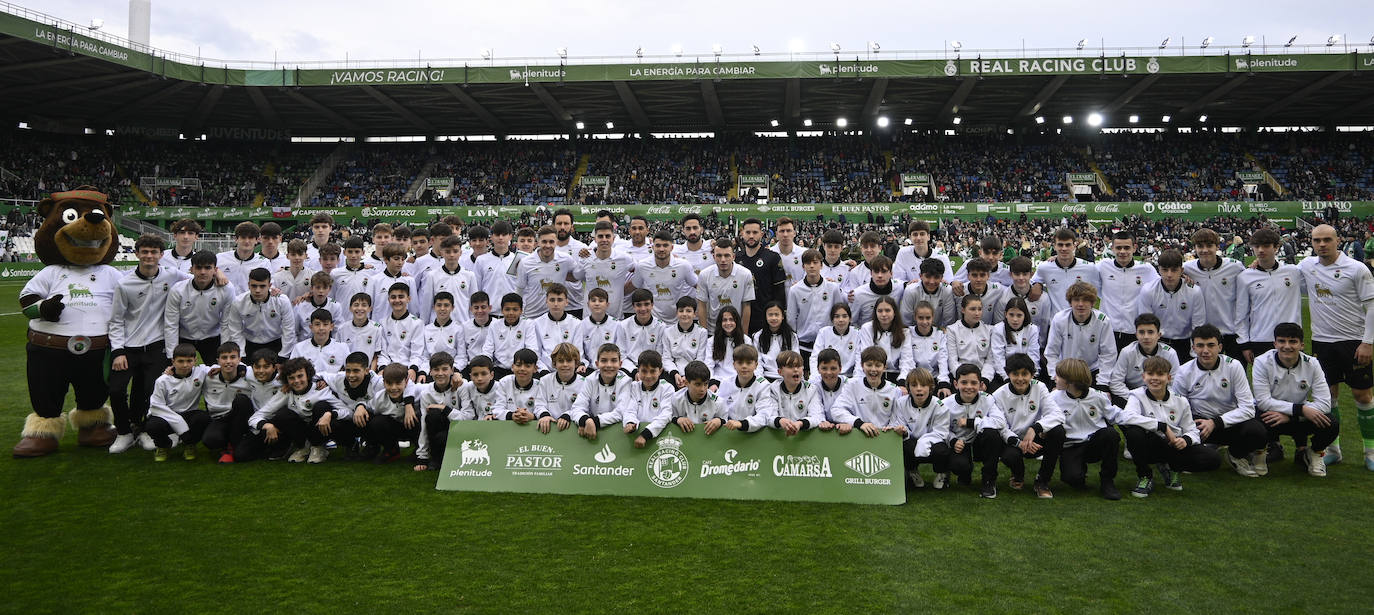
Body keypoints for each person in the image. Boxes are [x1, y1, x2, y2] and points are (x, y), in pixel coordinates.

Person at [1299, 224, 1374, 469]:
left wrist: (1368, 342)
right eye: (1317, 240)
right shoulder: (1307, 266)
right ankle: (1333, 449)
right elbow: (1280, 272)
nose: (1322, 244)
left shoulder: (1356, 268)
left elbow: (1372, 306)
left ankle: (1370, 452)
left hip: (1354, 341)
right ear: (1312, 242)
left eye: (1327, 240)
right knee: (1328, 396)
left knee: (1362, 394)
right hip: (1322, 341)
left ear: (1337, 240)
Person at [108, 235, 190, 453]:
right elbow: (115, 320)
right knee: (116, 391)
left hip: (157, 346)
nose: (149, 256)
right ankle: (124, 432)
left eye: (154, 252)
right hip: (128, 348)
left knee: (149, 391)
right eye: (144, 252)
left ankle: (143, 429)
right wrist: (117, 351)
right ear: (136, 254)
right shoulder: (124, 284)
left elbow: (196, 277)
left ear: (161, 255)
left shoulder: (171, 275)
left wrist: (219, 273)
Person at [1119, 356, 1222, 497]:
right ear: (1143, 377)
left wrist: (1185, 440)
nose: (1155, 378)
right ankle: (1145, 476)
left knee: (1213, 459)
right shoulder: (1136, 396)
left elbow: (1192, 430)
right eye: (1150, 374)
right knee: (1133, 433)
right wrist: (1161, 426)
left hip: (1174, 446)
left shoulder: (1181, 401)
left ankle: (1173, 468)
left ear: (1168, 377)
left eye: (1160, 374)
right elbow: (1126, 417)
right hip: (1151, 445)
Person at [1172, 324, 1267, 477]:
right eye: (1200, 345)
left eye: (1211, 345)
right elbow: (1176, 408)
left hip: (1228, 422)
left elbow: (1248, 408)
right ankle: (1200, 449)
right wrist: (1192, 426)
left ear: (1220, 347)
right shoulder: (1184, 371)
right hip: (1199, 425)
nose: (1205, 351)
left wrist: (1216, 422)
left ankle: (1235, 455)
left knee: (1257, 431)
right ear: (1193, 348)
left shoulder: (1234, 366)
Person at [1252, 323, 1337, 478]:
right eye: (1282, 341)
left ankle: (1313, 453)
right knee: (1253, 422)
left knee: (1330, 422)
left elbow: (1325, 403)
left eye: (1293, 342)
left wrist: (1293, 415)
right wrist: (1301, 409)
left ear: (1301, 345)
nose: (1287, 346)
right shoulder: (1261, 362)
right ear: (1275, 343)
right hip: (1271, 418)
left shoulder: (1312, 363)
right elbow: (1263, 401)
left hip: (1296, 419)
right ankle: (1259, 454)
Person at [239, 357, 349, 464]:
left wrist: (330, 414)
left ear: (308, 375)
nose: (296, 381)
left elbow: (348, 412)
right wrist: (267, 425)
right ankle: (303, 447)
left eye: (300, 376)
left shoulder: (321, 390)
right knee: (282, 414)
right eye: (291, 378)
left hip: (319, 429)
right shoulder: (285, 392)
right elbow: (255, 417)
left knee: (321, 407)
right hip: (301, 431)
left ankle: (318, 448)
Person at [992, 353, 1064, 499]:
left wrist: (1036, 428)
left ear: (1032, 375)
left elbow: (1057, 415)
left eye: (1025, 374)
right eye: (1015, 374)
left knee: (1058, 431)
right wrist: (1020, 443)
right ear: (1008, 374)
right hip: (1013, 442)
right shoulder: (998, 395)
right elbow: (1002, 427)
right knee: (1009, 456)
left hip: (1036, 439)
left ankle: (1042, 481)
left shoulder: (1040, 387)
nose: (1020, 379)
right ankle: (1018, 475)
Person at [1051, 357, 1122, 500]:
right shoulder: (1054, 397)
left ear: (1070, 381)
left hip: (1093, 445)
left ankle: (1107, 481)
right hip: (1071, 446)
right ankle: (1079, 472)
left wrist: (1155, 424)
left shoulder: (1099, 397)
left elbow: (1119, 416)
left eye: (1058, 376)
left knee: (1111, 434)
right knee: (1072, 479)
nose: (1054, 378)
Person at [1236, 228, 1304, 365]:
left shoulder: (1294, 272)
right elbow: (1241, 314)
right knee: (1263, 384)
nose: (1261, 250)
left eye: (1266, 246)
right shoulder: (1245, 277)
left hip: (1290, 339)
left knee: (1292, 383)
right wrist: (1244, 344)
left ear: (1276, 248)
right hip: (1260, 339)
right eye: (1257, 246)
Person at [945, 363, 1008, 498]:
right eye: (964, 382)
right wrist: (953, 440)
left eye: (974, 383)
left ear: (980, 385)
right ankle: (964, 472)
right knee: (960, 466)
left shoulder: (987, 399)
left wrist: (972, 422)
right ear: (956, 384)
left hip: (981, 442)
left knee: (992, 434)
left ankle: (988, 480)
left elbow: (1000, 422)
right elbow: (942, 429)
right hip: (960, 444)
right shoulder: (946, 404)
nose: (969, 387)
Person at [1184, 228, 1247, 363]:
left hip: (1231, 334)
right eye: (1200, 246)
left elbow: (1251, 280)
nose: (1205, 250)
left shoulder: (1235, 267)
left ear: (1217, 246)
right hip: (1204, 335)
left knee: (1235, 378)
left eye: (1209, 245)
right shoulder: (1187, 268)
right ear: (1194, 248)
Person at [164, 250, 237, 365]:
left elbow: (227, 323)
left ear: (215, 270)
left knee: (218, 376)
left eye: (208, 268)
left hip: (212, 338)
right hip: (185, 338)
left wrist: (225, 352)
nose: (203, 272)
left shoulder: (226, 289)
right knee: (180, 376)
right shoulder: (178, 290)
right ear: (191, 269)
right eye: (198, 268)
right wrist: (171, 355)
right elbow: (171, 324)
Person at [141, 343, 211, 462]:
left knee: (203, 418)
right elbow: (156, 406)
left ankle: (189, 444)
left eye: (189, 361)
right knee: (152, 425)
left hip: (189, 414)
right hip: (166, 416)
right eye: (180, 361)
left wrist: (240, 367)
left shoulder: (201, 372)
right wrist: (181, 426)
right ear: (173, 361)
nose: (185, 365)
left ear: (195, 360)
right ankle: (163, 446)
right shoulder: (162, 380)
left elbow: (222, 366)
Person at [594, 350, 675, 448]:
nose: (648, 376)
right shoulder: (633, 387)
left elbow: (665, 416)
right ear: (638, 371)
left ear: (660, 371)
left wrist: (646, 434)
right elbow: (630, 410)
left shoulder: (667, 388)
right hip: (635, 437)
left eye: (653, 371)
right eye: (644, 371)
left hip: (657, 438)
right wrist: (630, 422)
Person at [1044, 281, 1117, 390]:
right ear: (1070, 302)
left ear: (1092, 303)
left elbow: (1108, 354)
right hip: (1065, 372)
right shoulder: (1059, 319)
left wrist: (1103, 383)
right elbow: (1051, 353)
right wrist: (1056, 378)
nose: (1080, 304)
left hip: (1092, 372)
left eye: (1085, 300)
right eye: (1076, 300)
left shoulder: (1103, 321)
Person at [1137, 249, 1206, 359]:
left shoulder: (1194, 291)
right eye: (1165, 270)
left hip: (1184, 345)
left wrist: (1195, 354)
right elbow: (1145, 324)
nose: (1169, 275)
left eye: (1174, 270)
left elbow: (1198, 326)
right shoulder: (1148, 290)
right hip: (1158, 344)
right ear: (1159, 269)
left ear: (1181, 270)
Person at [1096, 231, 1159, 350]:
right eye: (1118, 248)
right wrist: (1056, 259)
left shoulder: (1146, 269)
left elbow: (1164, 285)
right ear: (1113, 248)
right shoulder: (1103, 266)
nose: (1122, 252)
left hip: (1135, 331)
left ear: (1134, 248)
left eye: (1127, 247)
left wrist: (1184, 275)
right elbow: (1081, 270)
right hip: (1108, 331)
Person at [319, 350, 384, 459]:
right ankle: (350, 445)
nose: (350, 375)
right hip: (348, 417)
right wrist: (320, 381)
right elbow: (317, 375)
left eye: (356, 371)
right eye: (348, 370)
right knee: (332, 422)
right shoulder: (338, 378)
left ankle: (372, 444)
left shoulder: (379, 383)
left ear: (367, 371)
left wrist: (361, 406)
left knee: (378, 421)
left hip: (369, 419)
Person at [896, 367, 953, 489]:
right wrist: (903, 431)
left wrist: (924, 441)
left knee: (942, 450)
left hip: (933, 442)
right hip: (912, 440)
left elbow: (941, 433)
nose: (919, 389)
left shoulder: (940, 406)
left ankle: (942, 473)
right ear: (908, 387)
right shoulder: (900, 403)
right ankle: (912, 471)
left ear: (931, 387)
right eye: (914, 385)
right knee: (905, 446)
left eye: (923, 385)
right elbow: (898, 423)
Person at [1109, 313, 1180, 407]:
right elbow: (1115, 383)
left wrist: (1158, 398)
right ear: (1136, 334)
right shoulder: (1127, 352)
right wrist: (1136, 398)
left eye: (1150, 332)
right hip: (1132, 395)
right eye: (1141, 332)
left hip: (1160, 396)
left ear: (1159, 335)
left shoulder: (1170, 354)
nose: (1146, 336)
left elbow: (1175, 385)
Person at [223, 267, 296, 359]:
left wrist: (283, 355)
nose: (258, 290)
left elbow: (289, 330)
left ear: (269, 285)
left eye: (262, 286)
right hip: (250, 345)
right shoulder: (238, 302)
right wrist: (241, 354)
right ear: (249, 285)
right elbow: (235, 331)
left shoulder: (282, 301)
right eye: (254, 286)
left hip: (276, 343)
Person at [826, 346, 898, 439]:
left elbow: (897, 418)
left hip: (884, 438)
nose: (873, 369)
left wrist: (890, 429)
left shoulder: (894, 390)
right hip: (858, 436)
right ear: (862, 365)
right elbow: (836, 410)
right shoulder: (852, 386)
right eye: (869, 365)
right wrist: (859, 423)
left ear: (884, 367)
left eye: (878, 365)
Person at [199, 342, 253, 464]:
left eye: (233, 357)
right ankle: (226, 444)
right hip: (220, 418)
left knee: (241, 400)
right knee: (210, 440)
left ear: (240, 359)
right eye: (224, 358)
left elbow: (268, 373)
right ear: (218, 360)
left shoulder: (249, 375)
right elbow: (188, 369)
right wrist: (169, 371)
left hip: (240, 417)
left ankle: (231, 448)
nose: (228, 361)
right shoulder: (208, 375)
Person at [788, 249, 844, 363]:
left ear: (821, 265)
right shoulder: (795, 290)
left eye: (815, 262)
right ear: (803, 266)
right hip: (803, 344)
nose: (812, 266)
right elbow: (791, 319)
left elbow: (839, 313)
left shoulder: (833, 288)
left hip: (827, 343)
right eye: (808, 263)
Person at [633, 230, 699, 323]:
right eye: (658, 245)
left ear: (672, 247)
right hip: (653, 321)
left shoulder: (684, 265)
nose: (661, 249)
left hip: (677, 321)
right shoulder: (642, 266)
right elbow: (633, 286)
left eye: (665, 245)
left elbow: (698, 286)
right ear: (652, 247)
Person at [568, 344, 633, 439]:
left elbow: (620, 412)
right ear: (597, 364)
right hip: (592, 433)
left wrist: (594, 422)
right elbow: (577, 408)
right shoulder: (590, 380)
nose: (609, 365)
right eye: (604, 360)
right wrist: (585, 421)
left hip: (617, 434)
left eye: (614, 360)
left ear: (620, 364)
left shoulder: (625, 381)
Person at [574, 221, 636, 320]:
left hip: (615, 318)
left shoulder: (624, 258)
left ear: (613, 238)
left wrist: (628, 288)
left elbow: (639, 271)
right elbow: (577, 277)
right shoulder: (585, 258)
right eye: (600, 236)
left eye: (607, 236)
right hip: (589, 318)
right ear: (595, 238)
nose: (604, 240)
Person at [1033, 228, 1100, 317]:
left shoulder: (1089, 268)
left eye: (1068, 245)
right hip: (1056, 324)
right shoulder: (1044, 267)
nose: (1064, 248)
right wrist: (1037, 284)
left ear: (1074, 245)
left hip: (1082, 324)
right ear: (1054, 246)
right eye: (1060, 245)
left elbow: (1100, 292)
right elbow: (1031, 286)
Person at [736, 218, 787, 333]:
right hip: (740, 316)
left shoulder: (772, 257)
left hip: (765, 318)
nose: (751, 236)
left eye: (755, 232)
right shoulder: (736, 258)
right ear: (742, 234)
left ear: (761, 234)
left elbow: (779, 291)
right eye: (748, 232)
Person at [696, 237, 756, 331]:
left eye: (727, 255)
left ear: (733, 256)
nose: (723, 260)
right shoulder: (704, 275)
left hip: (736, 330)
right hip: (713, 329)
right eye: (719, 256)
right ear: (713, 257)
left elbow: (746, 306)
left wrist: (744, 334)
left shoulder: (745, 274)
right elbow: (701, 305)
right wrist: (703, 333)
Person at [718, 345, 777, 433]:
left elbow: (764, 415)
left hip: (753, 433)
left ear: (756, 365)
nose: (744, 366)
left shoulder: (763, 385)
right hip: (728, 431)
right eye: (740, 363)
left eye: (749, 363)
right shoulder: (725, 383)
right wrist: (719, 420)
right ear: (734, 365)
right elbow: (717, 408)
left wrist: (742, 424)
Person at [416, 235, 476, 319]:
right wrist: (423, 325)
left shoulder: (469, 275)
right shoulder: (432, 276)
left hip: (462, 326)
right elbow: (426, 305)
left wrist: (471, 325)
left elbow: (473, 304)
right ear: (442, 252)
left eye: (455, 251)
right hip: (439, 327)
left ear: (460, 253)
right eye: (448, 252)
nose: (451, 255)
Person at [482, 293, 540, 380]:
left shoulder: (528, 324)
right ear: (502, 310)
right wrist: (486, 365)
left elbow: (532, 349)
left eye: (515, 309)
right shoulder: (494, 325)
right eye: (507, 309)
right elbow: (487, 350)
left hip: (521, 368)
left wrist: (521, 366)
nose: (511, 313)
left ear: (521, 310)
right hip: (499, 369)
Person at [533, 343, 585, 434]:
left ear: (576, 363)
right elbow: (539, 405)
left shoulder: (584, 383)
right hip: (549, 429)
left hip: (573, 430)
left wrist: (568, 415)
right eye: (561, 361)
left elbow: (584, 408)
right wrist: (544, 415)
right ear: (554, 363)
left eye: (569, 361)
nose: (565, 364)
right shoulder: (545, 381)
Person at [377, 283, 424, 382]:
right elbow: (383, 353)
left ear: (408, 299)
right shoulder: (383, 323)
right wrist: (382, 369)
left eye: (401, 297)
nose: (397, 300)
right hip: (389, 369)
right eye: (393, 297)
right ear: (388, 299)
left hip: (407, 368)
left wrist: (413, 369)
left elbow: (417, 352)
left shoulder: (417, 323)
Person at [668, 360, 729, 435]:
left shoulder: (718, 402)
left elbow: (725, 422)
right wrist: (677, 419)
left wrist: (720, 421)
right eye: (698, 384)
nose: (702, 389)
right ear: (686, 383)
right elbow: (667, 418)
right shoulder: (675, 399)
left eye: (706, 384)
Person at [945, 296, 994, 388]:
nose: (977, 313)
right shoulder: (952, 330)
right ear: (963, 310)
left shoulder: (989, 330)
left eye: (979, 309)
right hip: (960, 378)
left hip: (982, 378)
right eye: (972, 309)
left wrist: (984, 379)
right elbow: (952, 360)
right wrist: (964, 380)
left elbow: (990, 360)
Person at [989, 297, 1040, 385]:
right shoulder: (998, 329)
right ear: (1005, 314)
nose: (1015, 319)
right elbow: (998, 357)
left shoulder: (1032, 329)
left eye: (1019, 315)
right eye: (1011, 315)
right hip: (1005, 375)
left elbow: (1033, 355)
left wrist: (1031, 376)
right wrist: (1007, 378)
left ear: (1025, 315)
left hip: (1026, 373)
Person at [532, 284, 582, 372]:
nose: (556, 304)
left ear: (566, 302)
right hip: (545, 370)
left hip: (569, 370)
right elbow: (536, 352)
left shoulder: (576, 323)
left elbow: (578, 351)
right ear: (546, 301)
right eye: (552, 300)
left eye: (559, 300)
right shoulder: (537, 323)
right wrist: (543, 370)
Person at [857, 296, 907, 382]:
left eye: (887, 310)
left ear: (894, 312)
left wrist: (902, 381)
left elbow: (907, 360)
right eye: (880, 311)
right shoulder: (867, 328)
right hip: (874, 374)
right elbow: (865, 356)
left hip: (896, 375)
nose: (884, 314)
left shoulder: (905, 332)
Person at [662, 296, 709, 387]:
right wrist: (675, 374)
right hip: (673, 373)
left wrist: (687, 376)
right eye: (681, 310)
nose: (684, 314)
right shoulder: (668, 332)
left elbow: (700, 358)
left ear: (695, 314)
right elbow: (666, 358)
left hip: (695, 373)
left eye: (688, 311)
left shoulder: (702, 332)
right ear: (677, 313)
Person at [287, 309, 350, 375]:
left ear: (331, 327)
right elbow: (292, 372)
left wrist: (329, 380)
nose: (321, 328)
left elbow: (349, 371)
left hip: (334, 384)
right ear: (311, 327)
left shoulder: (342, 348)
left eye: (325, 324)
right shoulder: (299, 348)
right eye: (317, 324)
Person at [906, 301, 950, 393]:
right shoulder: (908, 333)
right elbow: (907, 360)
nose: (924, 322)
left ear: (933, 317)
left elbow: (943, 359)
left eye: (928, 318)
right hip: (914, 379)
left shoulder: (940, 334)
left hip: (933, 379)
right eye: (921, 318)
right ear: (915, 317)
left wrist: (943, 382)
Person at [899, 258, 955, 328]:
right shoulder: (911, 290)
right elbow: (906, 320)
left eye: (936, 277)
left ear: (942, 278)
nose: (932, 281)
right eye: (928, 276)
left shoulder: (947, 289)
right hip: (914, 332)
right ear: (920, 276)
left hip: (938, 332)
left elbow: (949, 320)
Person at [892, 220, 953, 285]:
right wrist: (907, 284)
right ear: (910, 238)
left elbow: (948, 281)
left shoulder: (942, 257)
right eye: (915, 234)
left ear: (928, 236)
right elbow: (898, 280)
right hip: (911, 293)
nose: (918, 238)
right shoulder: (903, 253)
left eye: (922, 234)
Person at [292, 272, 345, 343]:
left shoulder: (335, 306)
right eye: (318, 287)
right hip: (304, 346)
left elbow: (338, 331)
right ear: (311, 288)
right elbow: (294, 331)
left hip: (327, 346)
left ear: (329, 289)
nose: (321, 291)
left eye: (325, 288)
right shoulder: (300, 306)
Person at [336, 293, 384, 373]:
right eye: (356, 305)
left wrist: (370, 374)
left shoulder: (376, 328)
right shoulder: (342, 329)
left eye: (364, 305)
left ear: (370, 309)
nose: (359, 308)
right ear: (350, 308)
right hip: (347, 372)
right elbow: (339, 354)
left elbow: (376, 356)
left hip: (367, 371)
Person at [474, 221, 520, 304]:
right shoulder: (481, 260)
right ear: (491, 237)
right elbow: (477, 289)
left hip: (512, 312)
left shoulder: (517, 260)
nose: (501, 238)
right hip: (489, 313)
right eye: (497, 235)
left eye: (504, 234)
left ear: (510, 236)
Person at [851, 254, 903, 327]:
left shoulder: (900, 287)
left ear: (891, 274)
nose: (880, 275)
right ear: (871, 273)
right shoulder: (858, 294)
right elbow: (852, 322)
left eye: (884, 271)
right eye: (876, 272)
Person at [492, 348, 541, 425]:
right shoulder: (504, 382)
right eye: (518, 365)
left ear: (535, 369)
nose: (522, 369)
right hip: (508, 428)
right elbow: (497, 409)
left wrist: (532, 417)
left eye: (527, 366)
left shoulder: (540, 386)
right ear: (512, 367)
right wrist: (512, 416)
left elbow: (542, 409)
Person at [811, 303, 861, 378]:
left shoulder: (857, 333)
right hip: (828, 375)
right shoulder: (824, 332)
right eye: (837, 316)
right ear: (832, 319)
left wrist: (856, 379)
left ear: (850, 318)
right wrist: (816, 377)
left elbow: (859, 359)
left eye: (844, 316)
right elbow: (815, 357)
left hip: (850, 376)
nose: (841, 320)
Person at [216, 221, 268, 292]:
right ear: (236, 239)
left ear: (257, 240)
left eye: (250, 238)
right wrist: (216, 271)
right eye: (243, 237)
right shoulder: (220, 258)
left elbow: (269, 287)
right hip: (224, 302)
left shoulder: (264, 263)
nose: (247, 241)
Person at [751, 302, 798, 381]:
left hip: (786, 377)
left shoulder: (791, 336)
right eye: (770, 315)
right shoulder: (758, 336)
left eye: (776, 314)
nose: (773, 318)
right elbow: (757, 360)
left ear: (782, 316)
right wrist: (760, 380)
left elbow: (796, 359)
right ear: (765, 317)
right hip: (766, 376)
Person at [578, 288, 619, 374]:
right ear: (588, 304)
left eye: (601, 301)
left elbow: (620, 349)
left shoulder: (617, 325)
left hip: (610, 366)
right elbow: (579, 348)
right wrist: (582, 363)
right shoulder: (581, 325)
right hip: (588, 367)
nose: (597, 303)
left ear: (607, 304)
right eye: (593, 300)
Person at [707, 306, 747, 385]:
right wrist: (711, 382)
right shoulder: (711, 341)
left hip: (740, 380)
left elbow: (754, 362)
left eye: (731, 320)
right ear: (720, 322)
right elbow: (708, 364)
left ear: (736, 321)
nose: (728, 323)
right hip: (718, 380)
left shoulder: (746, 340)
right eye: (724, 320)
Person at [421, 292, 462, 367]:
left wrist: (454, 370)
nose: (442, 309)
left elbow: (461, 356)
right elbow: (425, 356)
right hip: (432, 369)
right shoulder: (426, 329)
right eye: (439, 305)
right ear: (434, 307)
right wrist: (424, 371)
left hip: (451, 369)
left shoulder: (458, 329)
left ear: (452, 308)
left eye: (446, 305)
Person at [331, 237, 374, 308]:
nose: (353, 256)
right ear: (344, 252)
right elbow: (331, 297)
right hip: (341, 318)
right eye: (350, 252)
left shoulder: (371, 273)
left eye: (357, 252)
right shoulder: (335, 273)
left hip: (363, 317)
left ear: (363, 253)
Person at [458, 292, 494, 374]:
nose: (480, 311)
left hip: (492, 367)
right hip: (470, 367)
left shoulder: (497, 325)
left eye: (483, 307)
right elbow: (462, 353)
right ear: (471, 309)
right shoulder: (464, 327)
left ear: (490, 308)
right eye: (476, 308)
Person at [273, 239, 317, 305]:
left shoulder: (313, 275)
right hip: (284, 313)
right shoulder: (277, 277)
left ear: (306, 256)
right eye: (293, 254)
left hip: (305, 314)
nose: (297, 258)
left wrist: (311, 294)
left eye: (300, 254)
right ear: (287, 256)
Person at [770, 217, 806, 287]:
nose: (785, 234)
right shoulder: (769, 254)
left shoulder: (804, 254)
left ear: (794, 233)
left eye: (789, 231)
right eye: (782, 231)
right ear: (776, 234)